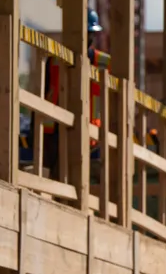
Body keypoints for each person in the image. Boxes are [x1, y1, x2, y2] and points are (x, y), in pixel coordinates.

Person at [40, 9, 112, 171]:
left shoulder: (104, 63)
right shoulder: (54, 60)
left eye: (90, 34)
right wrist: (34, 127)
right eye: (85, 33)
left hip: (91, 134)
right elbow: (43, 92)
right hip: (54, 132)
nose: (88, 38)